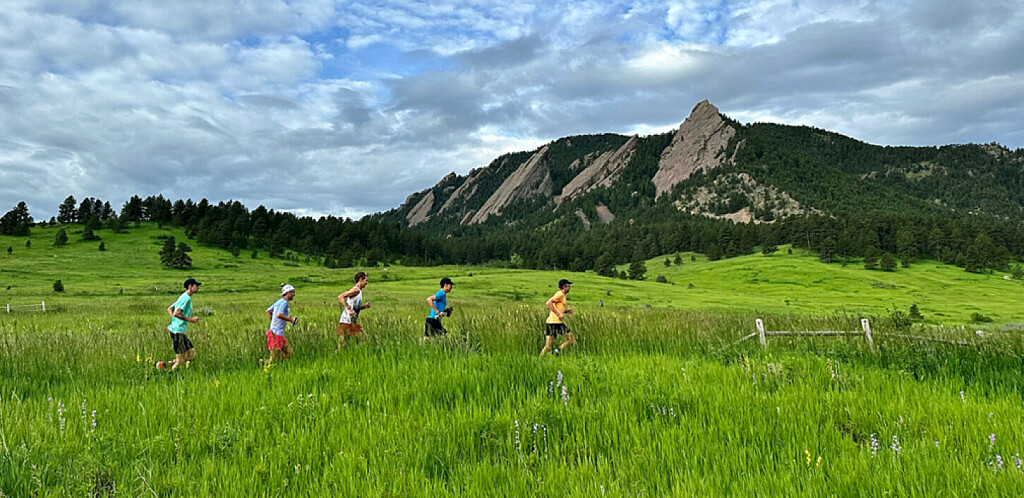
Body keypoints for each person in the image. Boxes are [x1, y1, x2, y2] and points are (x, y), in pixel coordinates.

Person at [157, 278, 201, 370]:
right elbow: (177, 313)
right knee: (181, 362)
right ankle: (170, 374)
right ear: (190, 286)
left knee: (192, 355)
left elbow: (170, 308)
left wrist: (174, 320)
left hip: (178, 330)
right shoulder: (186, 298)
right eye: (196, 285)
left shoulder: (183, 296)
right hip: (177, 332)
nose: (198, 287)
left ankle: (164, 365)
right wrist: (191, 320)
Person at [540, 279, 575, 356]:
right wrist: (558, 314)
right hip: (556, 322)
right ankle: (556, 352)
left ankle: (540, 359)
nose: (569, 288)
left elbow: (557, 307)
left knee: (548, 346)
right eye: (568, 286)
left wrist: (565, 311)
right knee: (571, 339)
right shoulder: (560, 294)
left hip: (550, 322)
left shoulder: (561, 295)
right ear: (564, 287)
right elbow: (549, 303)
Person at [337, 271, 372, 350]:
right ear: (360, 279)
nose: (367, 282)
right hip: (346, 322)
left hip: (352, 322)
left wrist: (364, 307)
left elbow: (355, 307)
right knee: (343, 345)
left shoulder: (359, 291)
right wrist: (349, 308)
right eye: (366, 280)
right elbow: (340, 296)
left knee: (363, 340)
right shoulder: (355, 290)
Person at [265, 284, 297, 364]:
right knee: (273, 359)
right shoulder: (284, 303)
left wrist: (273, 321)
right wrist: (291, 320)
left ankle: (280, 364)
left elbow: (268, 311)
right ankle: (264, 364)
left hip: (276, 333)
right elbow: (279, 315)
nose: (294, 294)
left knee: (288, 353)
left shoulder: (279, 301)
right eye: (293, 292)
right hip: (276, 334)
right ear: (288, 293)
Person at [422, 277, 453, 342]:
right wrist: (437, 312)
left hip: (430, 320)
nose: (451, 287)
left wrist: (445, 311)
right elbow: (429, 299)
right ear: (445, 285)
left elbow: (438, 308)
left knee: (427, 339)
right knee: (447, 336)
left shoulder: (441, 293)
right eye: (450, 285)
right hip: (434, 320)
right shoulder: (442, 293)